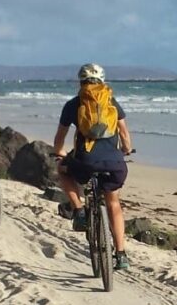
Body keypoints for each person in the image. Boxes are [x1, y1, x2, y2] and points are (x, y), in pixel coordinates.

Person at [53, 63, 135, 271]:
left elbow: (59, 139)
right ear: (103, 81)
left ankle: (79, 210)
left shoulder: (73, 104)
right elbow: (125, 135)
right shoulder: (112, 102)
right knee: (113, 203)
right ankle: (121, 253)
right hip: (115, 163)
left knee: (62, 170)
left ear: (80, 81)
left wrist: (60, 154)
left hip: (85, 161)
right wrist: (126, 150)